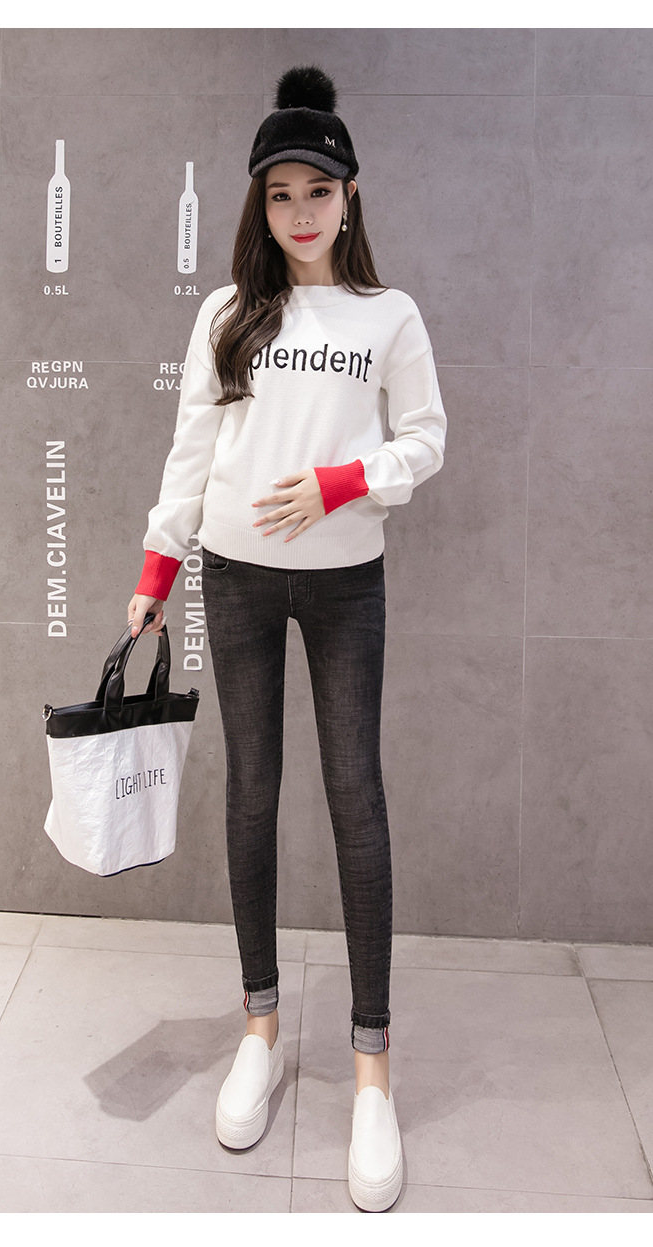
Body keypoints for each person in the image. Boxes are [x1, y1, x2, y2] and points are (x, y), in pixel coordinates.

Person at [127, 65, 447, 1213]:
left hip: (347, 583)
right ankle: (259, 1026)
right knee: (251, 791)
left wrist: (338, 482)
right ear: (258, 205)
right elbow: (190, 453)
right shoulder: (226, 314)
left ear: (351, 196)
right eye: (280, 194)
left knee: (357, 795)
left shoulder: (387, 315)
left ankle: (372, 1069)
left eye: (319, 190)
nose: (300, 211)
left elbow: (426, 441)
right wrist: (157, 572)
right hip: (239, 580)